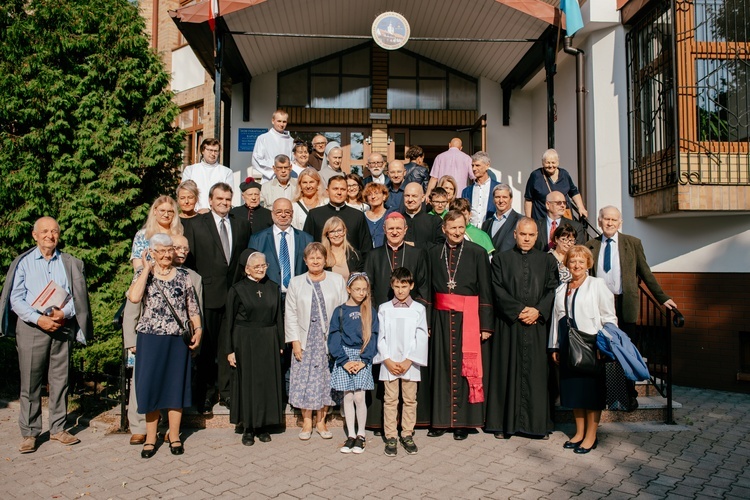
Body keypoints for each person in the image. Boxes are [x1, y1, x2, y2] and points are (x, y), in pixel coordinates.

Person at [0, 217, 93, 454]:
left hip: (61, 326)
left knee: (60, 380)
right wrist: (38, 318)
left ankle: (58, 428)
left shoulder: (69, 262)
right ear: (35, 235)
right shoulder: (23, 263)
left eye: (54, 231)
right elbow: (16, 299)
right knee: (30, 382)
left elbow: (77, 298)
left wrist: (64, 312)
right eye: (44, 232)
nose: (49, 236)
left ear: (58, 235)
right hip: (32, 328)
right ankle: (30, 433)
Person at [585, 206, 678, 405]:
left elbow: (645, 273)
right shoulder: (590, 245)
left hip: (624, 305)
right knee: (603, 350)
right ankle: (605, 395)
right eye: (606, 219)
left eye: (613, 219)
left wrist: (662, 298)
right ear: (599, 221)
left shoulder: (632, 243)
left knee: (626, 350)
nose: (609, 223)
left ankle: (628, 396)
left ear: (620, 222)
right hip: (600, 307)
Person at [123, 234, 203, 446]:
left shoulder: (183, 276)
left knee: (175, 386)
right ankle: (150, 437)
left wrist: (199, 329)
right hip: (150, 338)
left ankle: (174, 435)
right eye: (161, 250)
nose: (167, 254)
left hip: (177, 339)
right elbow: (134, 297)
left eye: (169, 250)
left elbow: (192, 307)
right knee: (151, 386)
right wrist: (147, 269)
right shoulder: (143, 274)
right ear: (152, 253)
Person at [486, 217, 559, 439]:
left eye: (531, 235)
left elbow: (552, 289)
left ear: (537, 236)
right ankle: (502, 424)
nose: (526, 238)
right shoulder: (500, 259)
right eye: (522, 234)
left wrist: (538, 310)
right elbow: (496, 289)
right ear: (515, 234)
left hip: (536, 326)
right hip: (509, 325)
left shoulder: (547, 261)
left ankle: (537, 426)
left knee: (537, 375)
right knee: (505, 372)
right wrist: (518, 310)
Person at [184, 182, 253, 413]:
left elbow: (242, 260)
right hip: (206, 294)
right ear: (210, 201)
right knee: (206, 348)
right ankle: (205, 394)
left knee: (228, 346)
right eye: (219, 199)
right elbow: (189, 262)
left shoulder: (241, 224)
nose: (224, 203)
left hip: (233, 295)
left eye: (227, 199)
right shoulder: (195, 224)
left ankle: (227, 393)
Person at [427, 211, 493, 440]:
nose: (457, 232)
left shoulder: (478, 252)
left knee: (466, 368)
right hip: (441, 317)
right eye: (452, 228)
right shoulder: (434, 252)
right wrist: (426, 322)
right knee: (442, 367)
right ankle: (440, 420)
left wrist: (486, 324)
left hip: (469, 317)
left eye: (460, 228)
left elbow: (486, 289)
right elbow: (427, 290)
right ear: (444, 228)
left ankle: (463, 423)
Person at [363, 212, 431, 432]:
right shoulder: (373, 255)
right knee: (385, 382)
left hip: (409, 320)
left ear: (405, 230)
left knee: (409, 392)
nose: (394, 232)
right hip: (382, 320)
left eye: (398, 228)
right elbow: (368, 290)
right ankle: (383, 426)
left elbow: (423, 286)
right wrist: (371, 321)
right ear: (384, 229)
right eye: (390, 228)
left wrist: (422, 320)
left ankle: (407, 430)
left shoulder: (417, 254)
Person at [549, 245, 618, 454]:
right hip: (568, 346)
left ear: (588, 263)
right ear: (567, 264)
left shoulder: (597, 285)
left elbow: (609, 317)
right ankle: (579, 433)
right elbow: (556, 318)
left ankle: (591, 436)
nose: (576, 265)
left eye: (581, 261)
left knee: (591, 393)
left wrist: (603, 345)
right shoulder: (562, 288)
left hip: (591, 345)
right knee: (574, 391)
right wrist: (554, 345)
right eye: (572, 261)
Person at [285, 243, 348, 440]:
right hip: (305, 338)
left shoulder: (336, 280)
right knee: (305, 379)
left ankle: (321, 421)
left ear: (325, 260)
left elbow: (343, 310)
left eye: (319, 258)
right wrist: (294, 341)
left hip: (327, 338)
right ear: (305, 260)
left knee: (325, 379)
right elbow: (291, 313)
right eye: (311, 258)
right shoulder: (296, 283)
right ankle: (306, 422)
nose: (315, 261)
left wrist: (340, 338)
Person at [222, 251, 284, 446]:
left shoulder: (273, 287)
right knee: (247, 382)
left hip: (268, 339)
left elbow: (279, 318)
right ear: (247, 269)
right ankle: (248, 427)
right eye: (256, 267)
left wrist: (280, 343)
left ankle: (263, 425)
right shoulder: (237, 289)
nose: (261, 269)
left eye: (263, 266)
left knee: (266, 382)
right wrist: (229, 349)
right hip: (244, 340)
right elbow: (229, 321)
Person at [374, 267, 429, 457]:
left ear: (411, 286)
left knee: (409, 399)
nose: (400, 290)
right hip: (389, 362)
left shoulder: (418, 309)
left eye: (404, 286)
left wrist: (409, 360)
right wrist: (387, 360)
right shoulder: (384, 309)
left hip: (410, 363)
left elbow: (421, 336)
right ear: (391, 285)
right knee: (390, 400)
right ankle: (390, 436)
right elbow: (380, 336)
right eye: (396, 286)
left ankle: (407, 433)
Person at [328, 272, 379, 454]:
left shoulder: (370, 310)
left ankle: (361, 435)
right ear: (348, 289)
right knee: (347, 397)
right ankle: (350, 435)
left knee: (359, 397)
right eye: (357, 289)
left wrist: (364, 361)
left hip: (362, 356)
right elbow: (333, 336)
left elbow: (373, 336)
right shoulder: (340, 311)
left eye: (364, 289)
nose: (361, 293)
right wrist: (344, 361)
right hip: (344, 358)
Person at [248, 198, 313, 295]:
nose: (283, 215)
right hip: (267, 295)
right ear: (272, 214)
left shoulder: (306, 239)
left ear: (292, 213)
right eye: (278, 212)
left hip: (298, 294)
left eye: (287, 212)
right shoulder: (257, 239)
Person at [303, 176, 373, 255]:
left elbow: (366, 247)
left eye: (343, 189)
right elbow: (306, 246)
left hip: (352, 265)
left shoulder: (357, 215)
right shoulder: (314, 215)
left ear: (347, 192)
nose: (339, 192)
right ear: (327, 191)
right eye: (335, 189)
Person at [524, 148, 588, 221]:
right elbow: (528, 199)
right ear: (542, 162)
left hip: (563, 219)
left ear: (558, 162)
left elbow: (574, 192)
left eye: (553, 162)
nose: (551, 166)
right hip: (542, 219)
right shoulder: (535, 176)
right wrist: (528, 220)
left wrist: (581, 207)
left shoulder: (564, 175)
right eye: (547, 163)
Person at [130, 195, 184, 270]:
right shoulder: (143, 235)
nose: (166, 215)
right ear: (155, 211)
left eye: (170, 212)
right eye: (162, 211)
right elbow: (138, 265)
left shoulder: (179, 234)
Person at [181, 138, 233, 211]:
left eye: (216, 151)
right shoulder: (190, 170)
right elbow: (185, 193)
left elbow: (228, 196)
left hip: (216, 214)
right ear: (202, 151)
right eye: (210, 150)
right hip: (194, 213)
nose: (213, 154)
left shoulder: (226, 172)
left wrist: (211, 211)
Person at [252, 110, 294, 184]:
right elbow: (256, 160)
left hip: (288, 179)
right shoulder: (263, 138)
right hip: (270, 179)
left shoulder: (291, 140)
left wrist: (285, 171)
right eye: (279, 121)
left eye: (284, 122)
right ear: (273, 121)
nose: (281, 124)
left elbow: (293, 161)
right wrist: (275, 171)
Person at [461, 151, 500, 227]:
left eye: (477, 165)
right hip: (472, 232)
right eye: (472, 165)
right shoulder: (466, 191)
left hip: (491, 230)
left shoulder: (498, 188)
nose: (474, 168)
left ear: (487, 166)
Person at [402, 182, 444, 249]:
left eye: (414, 196)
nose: (410, 199)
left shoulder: (435, 221)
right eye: (407, 196)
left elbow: (441, 246)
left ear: (422, 198)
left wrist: (416, 245)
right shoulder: (396, 221)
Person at [482, 184, 522, 254]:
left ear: (511, 199)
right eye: (497, 197)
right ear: (493, 200)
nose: (501, 200)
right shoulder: (486, 224)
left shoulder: (520, 220)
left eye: (504, 197)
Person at [322, 216, 364, 282]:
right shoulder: (322, 256)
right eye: (332, 231)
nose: (336, 235)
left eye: (339, 230)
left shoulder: (355, 254)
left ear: (344, 231)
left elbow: (361, 281)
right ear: (327, 234)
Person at [363, 182, 390, 248]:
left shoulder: (390, 216)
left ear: (384, 196)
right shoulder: (362, 217)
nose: (373, 197)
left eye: (376, 193)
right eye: (369, 194)